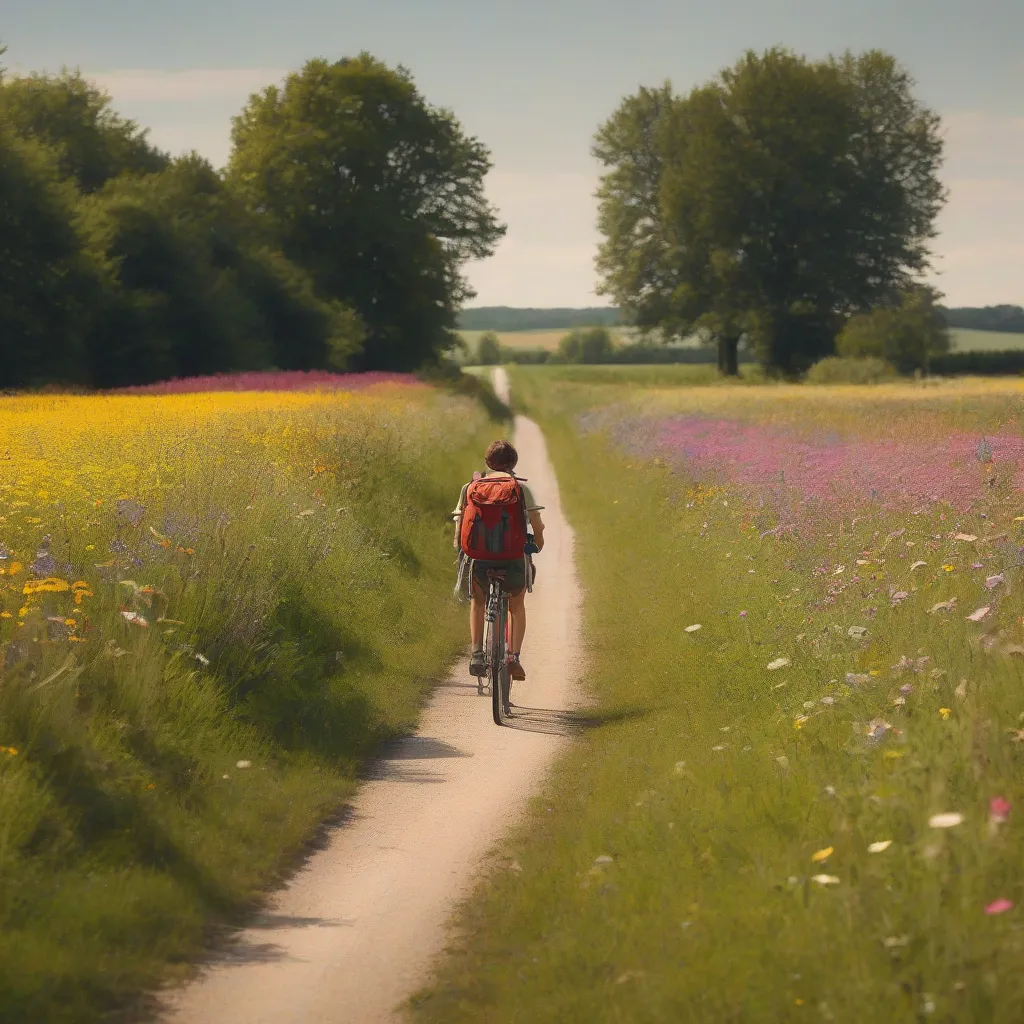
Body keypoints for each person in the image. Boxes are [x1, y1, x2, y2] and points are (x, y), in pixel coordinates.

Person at [453, 440, 545, 681]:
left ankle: (476, 654)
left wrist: (460, 548)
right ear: (513, 463)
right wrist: (538, 543)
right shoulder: (520, 488)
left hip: (480, 558)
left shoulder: (469, 487)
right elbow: (536, 523)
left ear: (487, 462)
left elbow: (460, 523)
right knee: (516, 606)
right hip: (513, 557)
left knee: (478, 602)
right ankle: (514, 657)